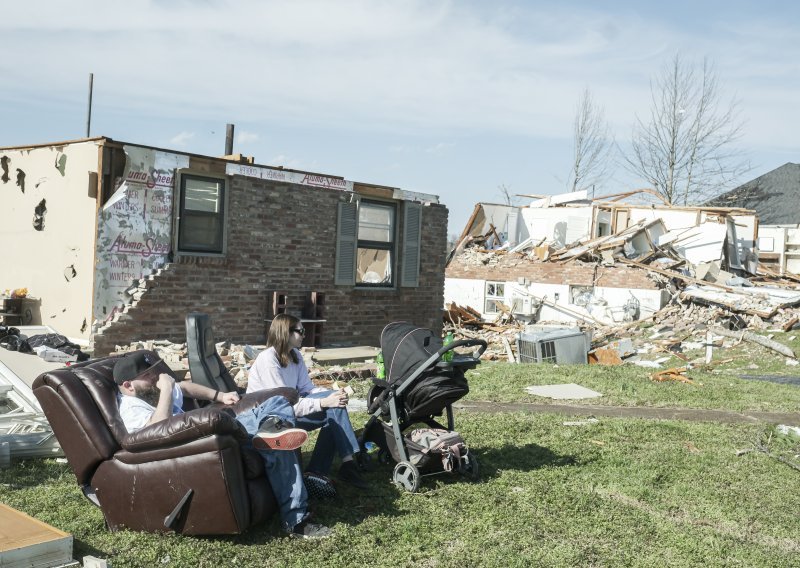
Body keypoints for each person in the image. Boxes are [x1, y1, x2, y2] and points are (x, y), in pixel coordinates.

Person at [114, 349, 331, 539]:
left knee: (277, 403)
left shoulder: (151, 393)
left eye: (154, 371)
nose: (156, 377)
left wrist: (219, 394)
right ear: (128, 385)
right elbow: (157, 432)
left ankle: (270, 430)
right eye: (148, 375)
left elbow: (186, 387)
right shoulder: (131, 408)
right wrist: (168, 390)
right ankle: (296, 520)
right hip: (204, 444)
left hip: (220, 431)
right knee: (277, 441)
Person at [247, 314, 367, 494]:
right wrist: (324, 402)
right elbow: (283, 407)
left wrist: (333, 395)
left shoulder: (294, 355)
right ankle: (348, 463)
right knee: (330, 405)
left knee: (334, 406)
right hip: (270, 420)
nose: (304, 334)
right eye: (300, 331)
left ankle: (322, 471)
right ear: (285, 333)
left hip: (288, 411)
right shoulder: (268, 361)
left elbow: (306, 388)